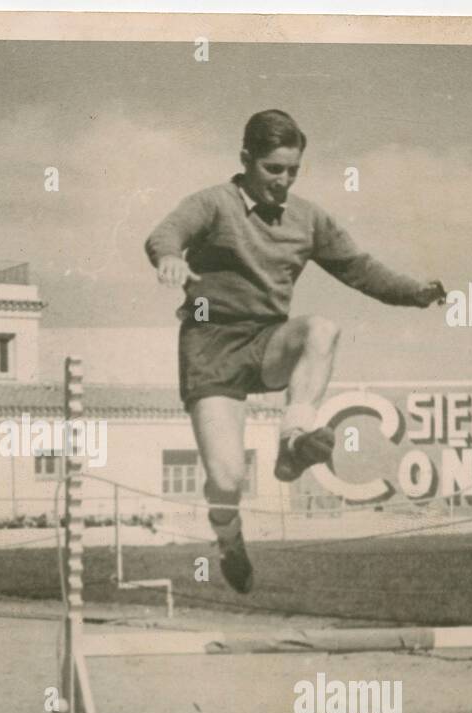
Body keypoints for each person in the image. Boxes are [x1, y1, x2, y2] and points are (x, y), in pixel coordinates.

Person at [145, 109, 445, 594]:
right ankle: (229, 539)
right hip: (209, 342)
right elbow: (166, 233)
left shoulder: (307, 219)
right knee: (226, 478)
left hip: (268, 339)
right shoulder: (214, 203)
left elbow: (358, 267)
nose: (282, 181)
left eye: (292, 171)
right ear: (246, 159)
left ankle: (294, 439)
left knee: (321, 328)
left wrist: (416, 292)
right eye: (272, 170)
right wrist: (170, 259)